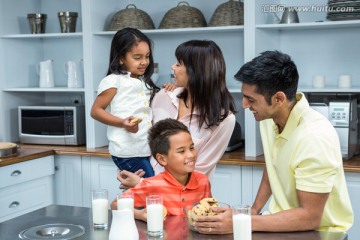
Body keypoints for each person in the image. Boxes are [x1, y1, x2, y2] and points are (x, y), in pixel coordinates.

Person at [193, 50, 354, 234]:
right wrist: (253, 211)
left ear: (279, 99)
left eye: (251, 99)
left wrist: (242, 221)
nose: (244, 105)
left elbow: (310, 216)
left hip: (321, 232)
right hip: (284, 223)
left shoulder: (314, 138)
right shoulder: (270, 118)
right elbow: (273, 166)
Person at [116, 39, 237, 187]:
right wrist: (128, 168)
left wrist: (143, 184)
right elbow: (142, 140)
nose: (172, 67)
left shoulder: (224, 119)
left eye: (179, 64)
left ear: (196, 71)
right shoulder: (163, 96)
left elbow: (199, 173)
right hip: (141, 192)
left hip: (183, 202)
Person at [90, 28, 174, 178]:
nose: (144, 62)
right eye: (137, 57)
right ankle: (118, 202)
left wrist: (168, 88)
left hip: (146, 148)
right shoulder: (113, 81)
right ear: (121, 58)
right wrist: (122, 123)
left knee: (143, 191)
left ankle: (120, 201)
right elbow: (96, 111)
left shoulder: (144, 81)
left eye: (147, 56)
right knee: (150, 189)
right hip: (127, 152)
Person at [110, 118, 212, 221]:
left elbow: (210, 210)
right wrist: (139, 214)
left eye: (191, 148)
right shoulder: (151, 185)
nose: (191, 154)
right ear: (162, 159)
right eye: (181, 151)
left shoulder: (203, 181)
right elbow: (115, 205)